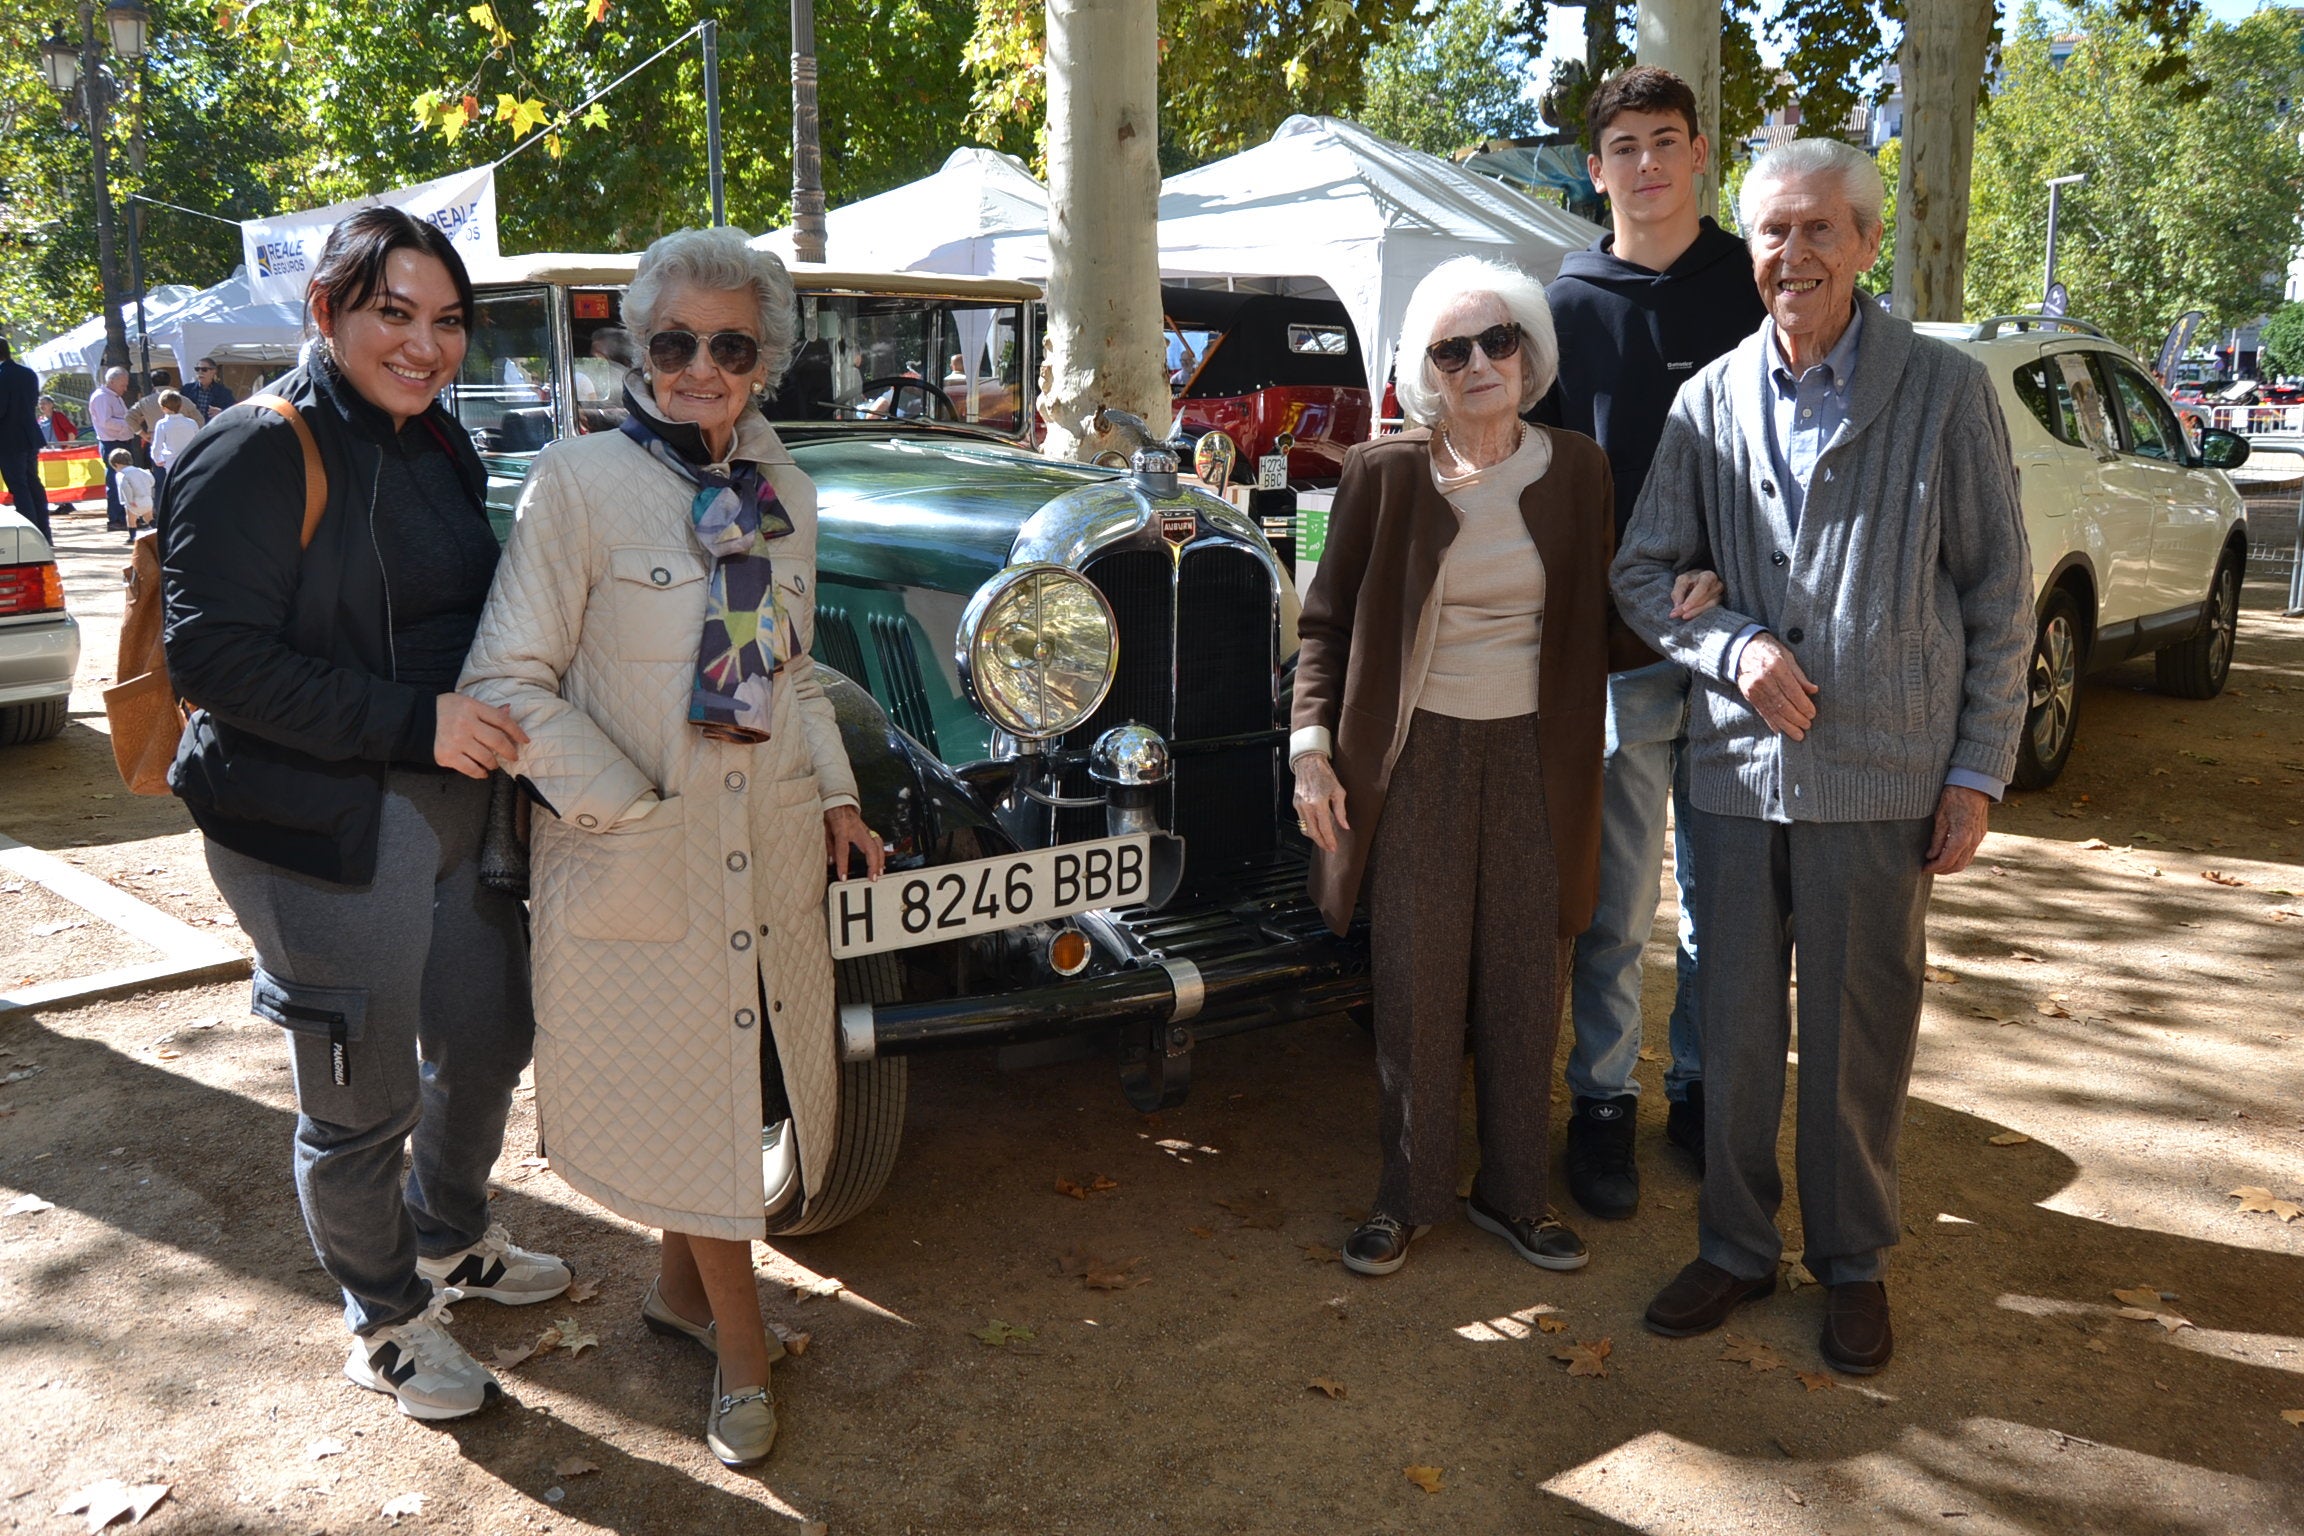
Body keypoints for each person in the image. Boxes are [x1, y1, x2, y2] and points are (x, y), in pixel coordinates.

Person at [460, 226, 884, 1467]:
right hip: (637, 852)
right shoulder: (578, 483)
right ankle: (742, 1348)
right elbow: (508, 680)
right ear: (635, 349)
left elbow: (784, 675)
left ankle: (678, 1295)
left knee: (727, 1073)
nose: (700, 365)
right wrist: (625, 806)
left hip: (767, 840)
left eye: (730, 344)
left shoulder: (778, 492)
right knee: (694, 1086)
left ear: (768, 360)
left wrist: (839, 796)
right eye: (674, 341)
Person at [1612, 138, 2031, 1375]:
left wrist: (1977, 769)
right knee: (1731, 1031)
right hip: (1738, 780)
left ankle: (1853, 1262)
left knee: (1861, 1035)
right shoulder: (1711, 400)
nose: (1790, 255)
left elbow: (2002, 596)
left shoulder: (1945, 394)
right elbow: (1643, 570)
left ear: (1863, 243)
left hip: (1883, 777)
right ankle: (1738, 1247)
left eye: (1815, 230)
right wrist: (1730, 644)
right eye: (1771, 234)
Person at [161, 205, 569, 1422]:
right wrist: (415, 722)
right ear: (325, 310)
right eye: (394, 313)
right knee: (360, 1097)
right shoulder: (252, 448)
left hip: (451, 808)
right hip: (317, 827)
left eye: (446, 321)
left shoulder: (436, 443)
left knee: (490, 1034)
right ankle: (384, 1318)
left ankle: (448, 1237)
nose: (424, 344)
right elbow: (214, 662)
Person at [1291, 255, 1721, 1281]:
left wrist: (1680, 608)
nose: (1479, 362)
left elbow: (1603, 629)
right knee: (1416, 982)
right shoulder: (1383, 474)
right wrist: (1311, 750)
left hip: (1543, 755)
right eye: (1452, 348)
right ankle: (1407, 1198)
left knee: (1532, 979)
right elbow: (1325, 627)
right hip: (1416, 756)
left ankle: (1517, 1195)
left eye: (1498, 341)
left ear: (1530, 354)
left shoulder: (1577, 469)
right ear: (1424, 371)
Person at [1535, 66, 1771, 1221]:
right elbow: (1542, 486)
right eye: (1622, 146)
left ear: (1700, 153)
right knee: (1618, 902)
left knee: (1730, 899)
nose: (1645, 164)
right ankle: (1601, 1107)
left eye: (1664, 140)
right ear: (1597, 168)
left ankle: (1705, 1095)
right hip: (1618, 652)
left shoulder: (1760, 286)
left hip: (1747, 652)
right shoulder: (1563, 307)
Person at [0, 336, 49, 542]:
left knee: (19, 487)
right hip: (29, 435)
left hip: (9, 438)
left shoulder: (1, 376)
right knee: (33, 484)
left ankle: (31, 536)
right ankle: (44, 532)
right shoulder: (28, 373)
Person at [90, 366, 135, 531]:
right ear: (112, 381)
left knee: (123, 481)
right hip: (112, 443)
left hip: (121, 442)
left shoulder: (114, 396)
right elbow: (105, 422)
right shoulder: (102, 397)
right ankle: (116, 519)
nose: (125, 388)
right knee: (115, 481)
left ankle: (125, 517)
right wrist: (127, 424)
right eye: (123, 384)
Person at [148, 388, 200, 505]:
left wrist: (157, 459)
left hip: (172, 463)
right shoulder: (191, 423)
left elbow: (157, 446)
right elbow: (198, 441)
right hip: (190, 462)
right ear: (180, 406)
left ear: (163, 408)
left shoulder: (162, 424)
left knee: (175, 491)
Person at [109, 447, 154, 537]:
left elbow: (125, 487)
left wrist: (129, 500)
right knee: (148, 517)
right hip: (147, 498)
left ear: (116, 465)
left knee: (131, 519)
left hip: (134, 500)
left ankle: (132, 536)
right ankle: (157, 529)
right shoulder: (141, 471)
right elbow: (151, 480)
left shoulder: (122, 474)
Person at [183, 357, 238, 422]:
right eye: (197, 369)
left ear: (214, 371)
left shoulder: (224, 392)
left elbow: (234, 412)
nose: (200, 372)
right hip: (192, 429)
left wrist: (221, 412)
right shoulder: (186, 389)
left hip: (212, 429)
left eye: (204, 369)